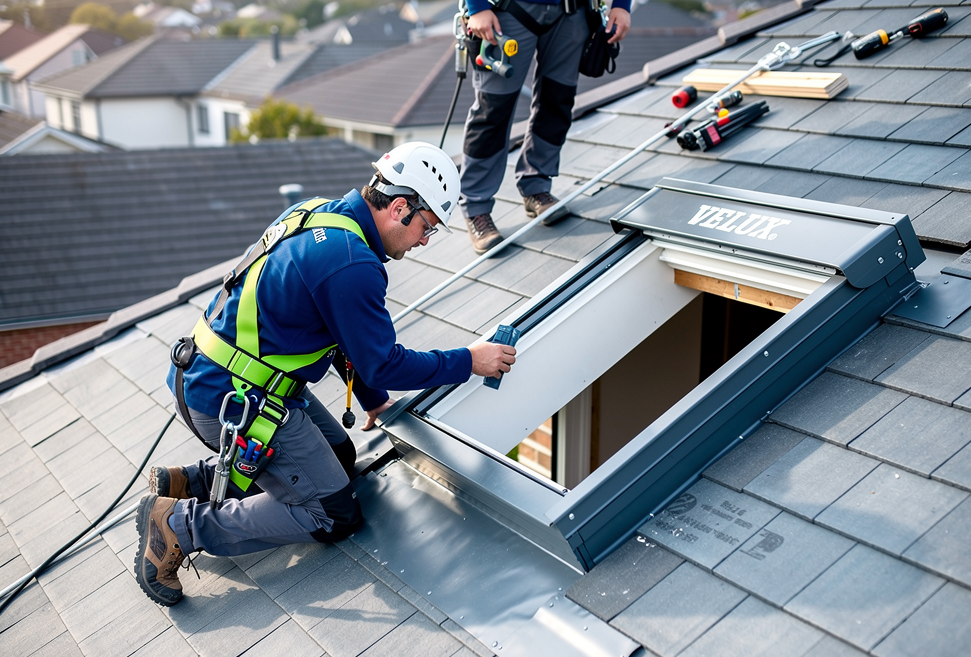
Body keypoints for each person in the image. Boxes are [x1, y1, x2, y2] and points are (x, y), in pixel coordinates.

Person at [135, 141, 517, 607]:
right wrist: (468, 360)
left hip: (222, 373)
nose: (424, 241)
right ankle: (177, 526)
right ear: (400, 207)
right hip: (232, 398)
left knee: (339, 457)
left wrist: (374, 400)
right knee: (332, 512)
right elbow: (384, 361)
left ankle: (189, 480)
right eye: (427, 227)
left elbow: (339, 335)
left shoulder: (318, 213)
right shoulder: (352, 263)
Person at [460, 0, 631, 253]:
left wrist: (621, 4)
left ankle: (536, 185)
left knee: (556, 101)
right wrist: (476, 7)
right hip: (507, 9)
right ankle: (476, 208)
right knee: (492, 110)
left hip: (571, 12)